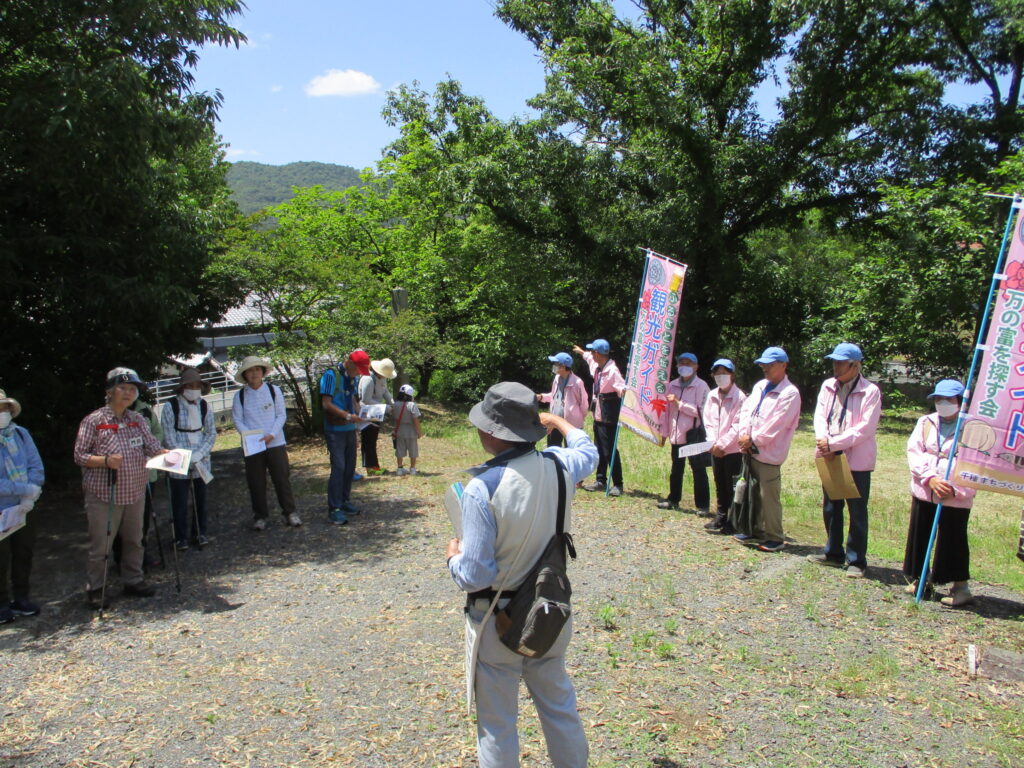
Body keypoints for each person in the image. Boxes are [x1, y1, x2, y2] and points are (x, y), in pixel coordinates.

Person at [445, 382, 597, 768]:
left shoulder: (483, 488)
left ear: (491, 432)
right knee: (559, 707)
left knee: (497, 724)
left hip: (497, 617)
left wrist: (453, 558)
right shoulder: (561, 465)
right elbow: (589, 450)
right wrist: (559, 421)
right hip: (549, 608)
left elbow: (476, 574)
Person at [73, 368, 166, 609]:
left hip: (136, 491)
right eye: (122, 388)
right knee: (101, 545)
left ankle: (133, 580)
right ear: (109, 392)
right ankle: (96, 588)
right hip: (105, 494)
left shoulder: (136, 420)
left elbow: (153, 446)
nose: (128, 393)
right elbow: (80, 455)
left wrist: (167, 454)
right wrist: (104, 461)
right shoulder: (94, 421)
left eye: (132, 390)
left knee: (135, 539)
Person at [808, 343, 882, 578]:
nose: (836, 367)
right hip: (830, 454)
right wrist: (823, 441)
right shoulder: (828, 386)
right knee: (831, 506)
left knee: (857, 510)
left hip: (857, 459)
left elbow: (865, 428)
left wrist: (834, 443)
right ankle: (833, 553)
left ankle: (856, 560)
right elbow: (820, 416)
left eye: (841, 363)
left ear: (855, 365)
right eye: (834, 362)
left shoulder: (870, 391)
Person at [903, 379, 976, 607]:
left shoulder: (974, 428)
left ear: (960, 402)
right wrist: (930, 478)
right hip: (926, 489)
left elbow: (977, 463)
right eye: (938, 400)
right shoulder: (925, 422)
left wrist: (956, 487)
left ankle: (960, 587)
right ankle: (920, 579)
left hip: (955, 494)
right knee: (920, 533)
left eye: (949, 400)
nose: (943, 404)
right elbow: (914, 451)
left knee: (953, 538)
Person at [733, 347, 801, 552]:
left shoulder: (790, 393)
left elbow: (777, 424)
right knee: (749, 491)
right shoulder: (760, 385)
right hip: (748, 448)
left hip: (769, 452)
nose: (765, 369)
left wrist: (753, 439)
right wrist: (743, 435)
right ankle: (753, 529)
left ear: (783, 365)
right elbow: (746, 411)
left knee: (769, 495)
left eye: (770, 365)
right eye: (763, 365)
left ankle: (775, 536)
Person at [232, 356, 301, 530]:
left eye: (257, 369)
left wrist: (271, 434)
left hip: (275, 442)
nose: (254, 373)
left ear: (262, 372)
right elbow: (238, 420)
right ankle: (260, 516)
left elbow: (281, 415)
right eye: (250, 370)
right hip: (252, 444)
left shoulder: (273, 390)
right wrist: (249, 435)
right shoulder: (240, 396)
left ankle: (290, 512)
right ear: (245, 375)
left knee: (281, 478)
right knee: (256, 481)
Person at [160, 368, 217, 550]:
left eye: (197, 385)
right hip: (179, 456)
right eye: (190, 386)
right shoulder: (171, 407)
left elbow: (211, 432)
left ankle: (200, 533)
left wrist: (200, 454)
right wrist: (185, 457)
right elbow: (168, 436)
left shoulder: (204, 406)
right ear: (182, 387)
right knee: (179, 500)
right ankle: (180, 537)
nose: (194, 389)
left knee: (201, 499)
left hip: (201, 457)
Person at [0, 389, 44, 623]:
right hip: (2, 508)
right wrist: (23, 490)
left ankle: (21, 597)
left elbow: (35, 465)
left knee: (23, 552)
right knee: (1, 557)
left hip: (26, 507)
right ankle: (1, 603)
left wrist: (31, 494)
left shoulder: (21, 434)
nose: (2, 412)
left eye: (4, 408)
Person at [658, 352, 711, 513]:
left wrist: (680, 403)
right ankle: (673, 499)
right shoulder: (672, 384)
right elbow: (667, 412)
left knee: (698, 468)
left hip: (694, 434)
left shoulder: (702, 386)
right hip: (677, 434)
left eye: (688, 363)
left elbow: (703, 412)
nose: (684, 366)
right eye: (681, 363)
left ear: (696, 367)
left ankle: (702, 505)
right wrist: (664, 433)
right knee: (676, 468)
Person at [573, 339, 625, 496]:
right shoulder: (597, 366)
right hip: (598, 413)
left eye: (593, 352)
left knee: (609, 450)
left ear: (599, 354)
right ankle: (600, 480)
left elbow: (621, 387)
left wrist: (624, 391)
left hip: (609, 414)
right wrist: (582, 352)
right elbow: (588, 358)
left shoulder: (612, 371)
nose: (591, 355)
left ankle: (618, 483)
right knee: (599, 449)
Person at [319, 352, 365, 525]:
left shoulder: (351, 378)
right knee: (339, 467)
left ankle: (345, 501)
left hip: (349, 428)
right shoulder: (331, 376)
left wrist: (361, 412)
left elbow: (352, 397)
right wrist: (347, 416)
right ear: (350, 363)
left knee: (349, 467)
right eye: (358, 369)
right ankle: (334, 508)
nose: (360, 373)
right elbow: (326, 403)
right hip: (335, 429)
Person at [703, 359, 747, 533]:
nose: (721, 377)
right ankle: (721, 516)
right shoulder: (712, 395)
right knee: (719, 482)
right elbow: (708, 421)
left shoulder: (740, 397)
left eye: (725, 373)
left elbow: (738, 424)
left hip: (732, 449)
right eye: (718, 373)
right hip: (715, 448)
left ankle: (733, 520)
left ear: (732, 375)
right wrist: (714, 443)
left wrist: (722, 444)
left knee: (733, 485)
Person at [536, 352, 589, 448]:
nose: (554, 366)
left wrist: (579, 418)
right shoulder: (557, 378)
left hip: (571, 423)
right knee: (553, 448)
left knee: (571, 449)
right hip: (555, 420)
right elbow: (554, 395)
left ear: (563, 366)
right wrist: (541, 397)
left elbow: (584, 403)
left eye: (556, 364)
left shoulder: (577, 382)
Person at [359, 357, 396, 475]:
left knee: (373, 439)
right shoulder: (368, 379)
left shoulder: (381, 379)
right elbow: (365, 400)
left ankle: (374, 466)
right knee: (368, 440)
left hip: (377, 412)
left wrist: (392, 403)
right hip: (367, 414)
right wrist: (384, 407)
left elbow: (385, 392)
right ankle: (370, 467)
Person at [349, 350, 371, 481]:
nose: (359, 373)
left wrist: (359, 412)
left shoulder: (354, 379)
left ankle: (351, 471)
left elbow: (355, 398)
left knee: (354, 445)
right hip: (344, 421)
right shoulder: (338, 377)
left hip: (354, 417)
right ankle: (348, 472)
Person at [393, 384, 423, 476]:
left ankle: (399, 468)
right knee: (413, 450)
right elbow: (415, 419)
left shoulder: (396, 404)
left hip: (399, 429)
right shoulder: (412, 405)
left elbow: (394, 417)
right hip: (411, 430)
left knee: (399, 450)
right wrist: (419, 431)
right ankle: (413, 469)